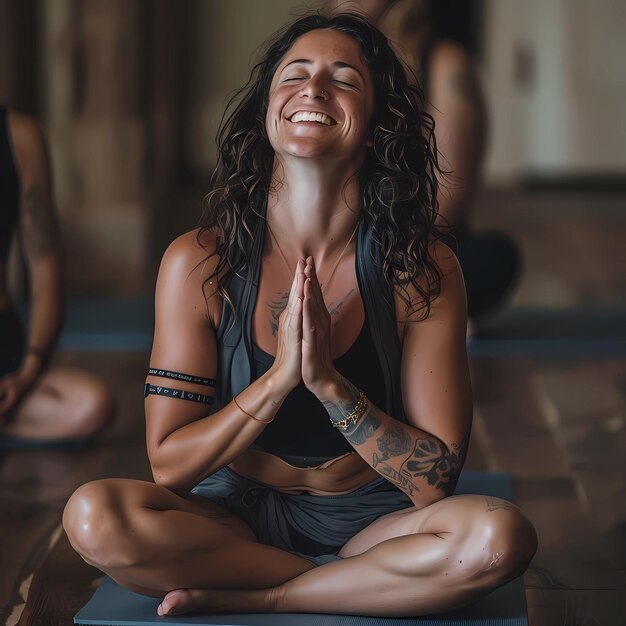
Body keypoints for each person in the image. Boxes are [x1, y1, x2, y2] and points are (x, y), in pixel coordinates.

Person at [63, 14, 536, 617]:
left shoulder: (420, 268)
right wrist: (279, 379)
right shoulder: (197, 262)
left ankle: (271, 592)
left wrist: (330, 387)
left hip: (376, 521)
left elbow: (433, 480)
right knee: (93, 516)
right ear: (267, 112)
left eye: (344, 80)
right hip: (232, 519)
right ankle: (356, 586)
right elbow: (168, 468)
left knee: (501, 537)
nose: (314, 89)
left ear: (374, 127)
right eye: (295, 76)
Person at [327, 0, 522, 325]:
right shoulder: (317, 51)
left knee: (490, 259)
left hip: (410, 246)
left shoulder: (445, 63)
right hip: (325, 239)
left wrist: (366, 257)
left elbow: (446, 202)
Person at [0, 105, 115, 447]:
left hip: (5, 355)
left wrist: (30, 369)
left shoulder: (19, 136)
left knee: (89, 405)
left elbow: (44, 262)